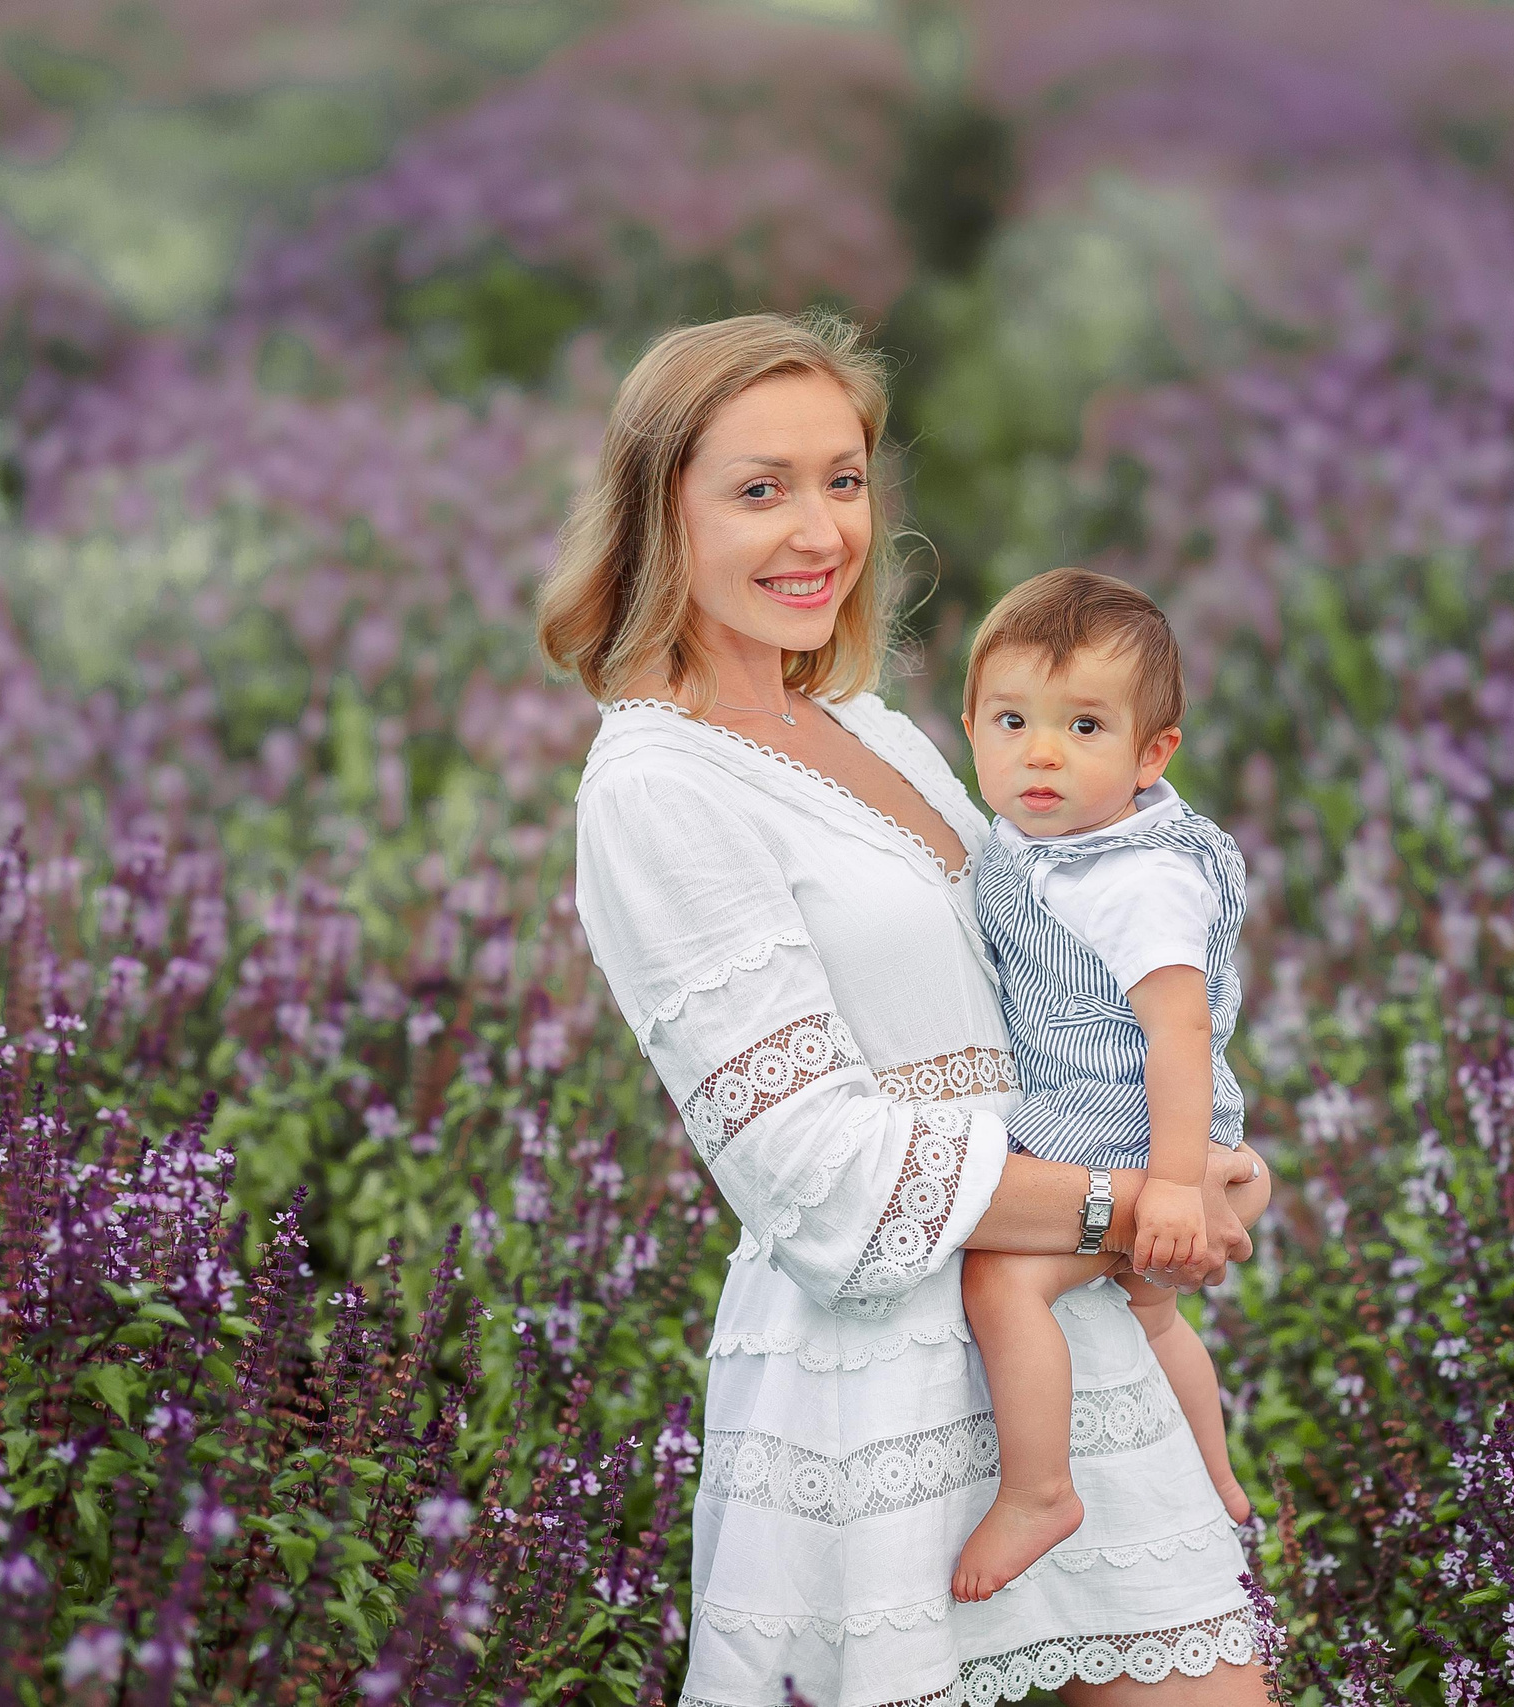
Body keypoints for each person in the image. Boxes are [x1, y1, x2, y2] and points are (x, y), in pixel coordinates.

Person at [541, 311, 1280, 1706]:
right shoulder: (658, 784)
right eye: (759, 489)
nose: (818, 528)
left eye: (844, 478)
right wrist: (1130, 1203)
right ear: (659, 512)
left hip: (1050, 1340)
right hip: (878, 1379)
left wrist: (1198, 1157)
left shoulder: (869, 726)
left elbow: (1033, 1003)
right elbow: (821, 1177)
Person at [951, 570, 1257, 1604]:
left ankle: (1039, 1493)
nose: (1040, 753)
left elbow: (1180, 1030)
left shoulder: (1134, 876)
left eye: (1084, 727)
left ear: (1150, 754)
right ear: (969, 725)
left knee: (1001, 1282)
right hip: (1110, 1130)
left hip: (1128, 1139)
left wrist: (1172, 1186)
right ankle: (1215, 1482)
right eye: (1011, 720)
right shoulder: (1039, 841)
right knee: (1153, 1315)